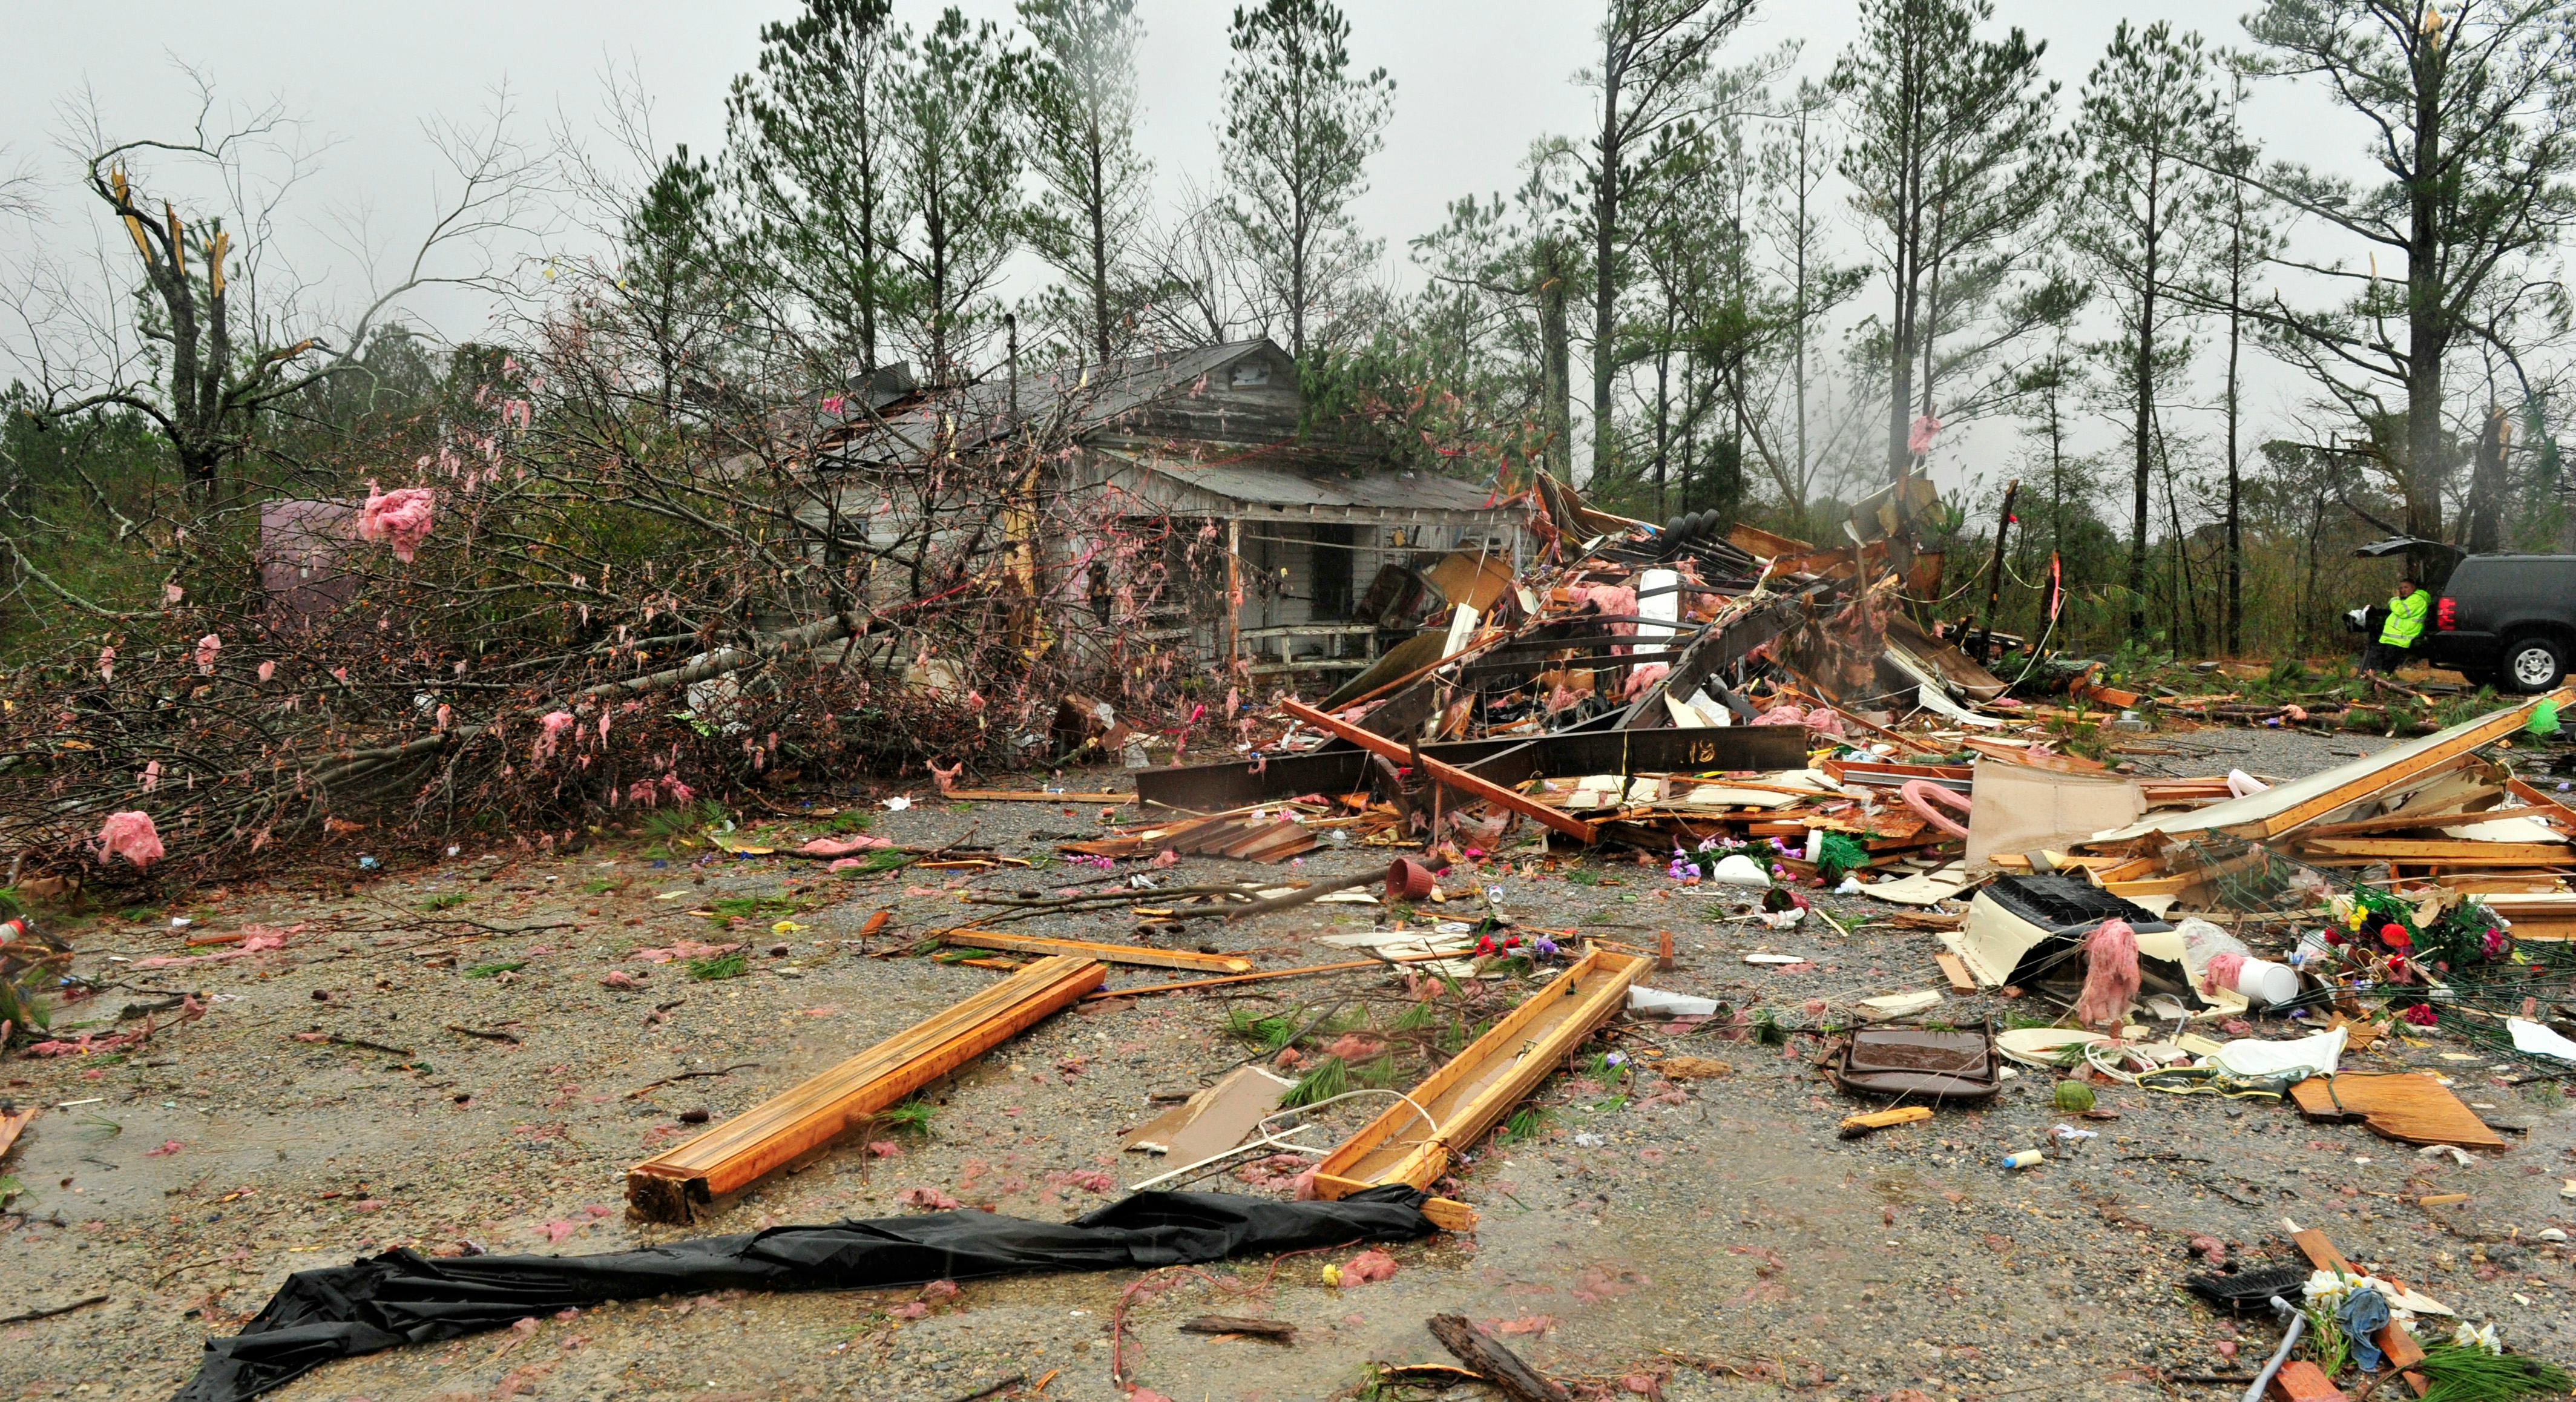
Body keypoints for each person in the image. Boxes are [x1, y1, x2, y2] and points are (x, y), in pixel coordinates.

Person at [2362, 575, 2429, 674]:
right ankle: (2374, 679)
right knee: (2376, 660)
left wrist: (2395, 599)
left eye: (2406, 587)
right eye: (2401, 588)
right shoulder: (2407, 600)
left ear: (2414, 587)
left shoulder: (2418, 599)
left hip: (2400, 638)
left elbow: (2401, 611)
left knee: (2387, 666)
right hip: (2391, 637)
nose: (2403, 590)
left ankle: (2382, 681)